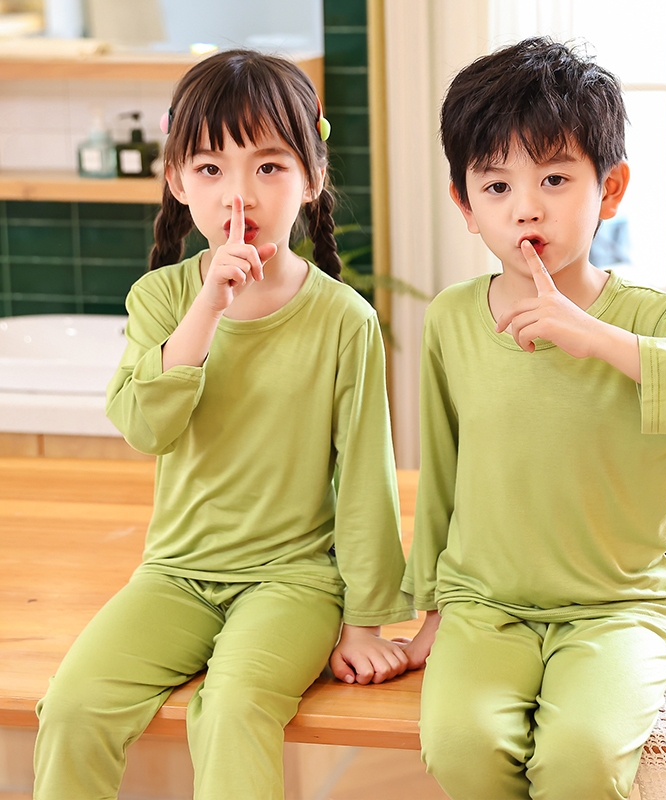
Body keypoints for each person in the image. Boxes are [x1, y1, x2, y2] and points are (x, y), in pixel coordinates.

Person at [400, 37, 666, 800]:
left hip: (616, 608)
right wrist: (432, 611)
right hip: (486, 604)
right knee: (461, 747)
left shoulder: (648, 318)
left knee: (582, 759)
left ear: (610, 190)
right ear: (463, 204)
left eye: (555, 178)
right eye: (496, 185)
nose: (526, 206)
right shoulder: (450, 321)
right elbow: (439, 478)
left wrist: (602, 339)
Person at [33, 49, 413, 800]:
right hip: (174, 573)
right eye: (211, 169)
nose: (241, 193)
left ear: (312, 177)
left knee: (234, 708)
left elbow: (365, 478)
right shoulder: (158, 300)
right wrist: (207, 306)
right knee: (73, 707)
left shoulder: (345, 322)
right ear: (177, 181)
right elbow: (146, 427)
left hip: (293, 582)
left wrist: (367, 619)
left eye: (270, 167)